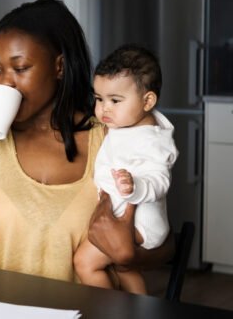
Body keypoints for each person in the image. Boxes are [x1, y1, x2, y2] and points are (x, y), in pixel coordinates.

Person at [0, 0, 174, 286]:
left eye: (21, 67)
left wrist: (128, 256)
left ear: (60, 67)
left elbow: (164, 243)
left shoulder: (109, 137)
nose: (6, 83)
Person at [73, 44, 179, 293]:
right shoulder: (125, 125)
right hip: (128, 220)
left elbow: (161, 179)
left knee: (84, 263)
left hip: (141, 223)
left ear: (147, 101)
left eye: (115, 100)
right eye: (99, 99)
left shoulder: (150, 139)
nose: (104, 108)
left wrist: (136, 186)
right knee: (126, 270)